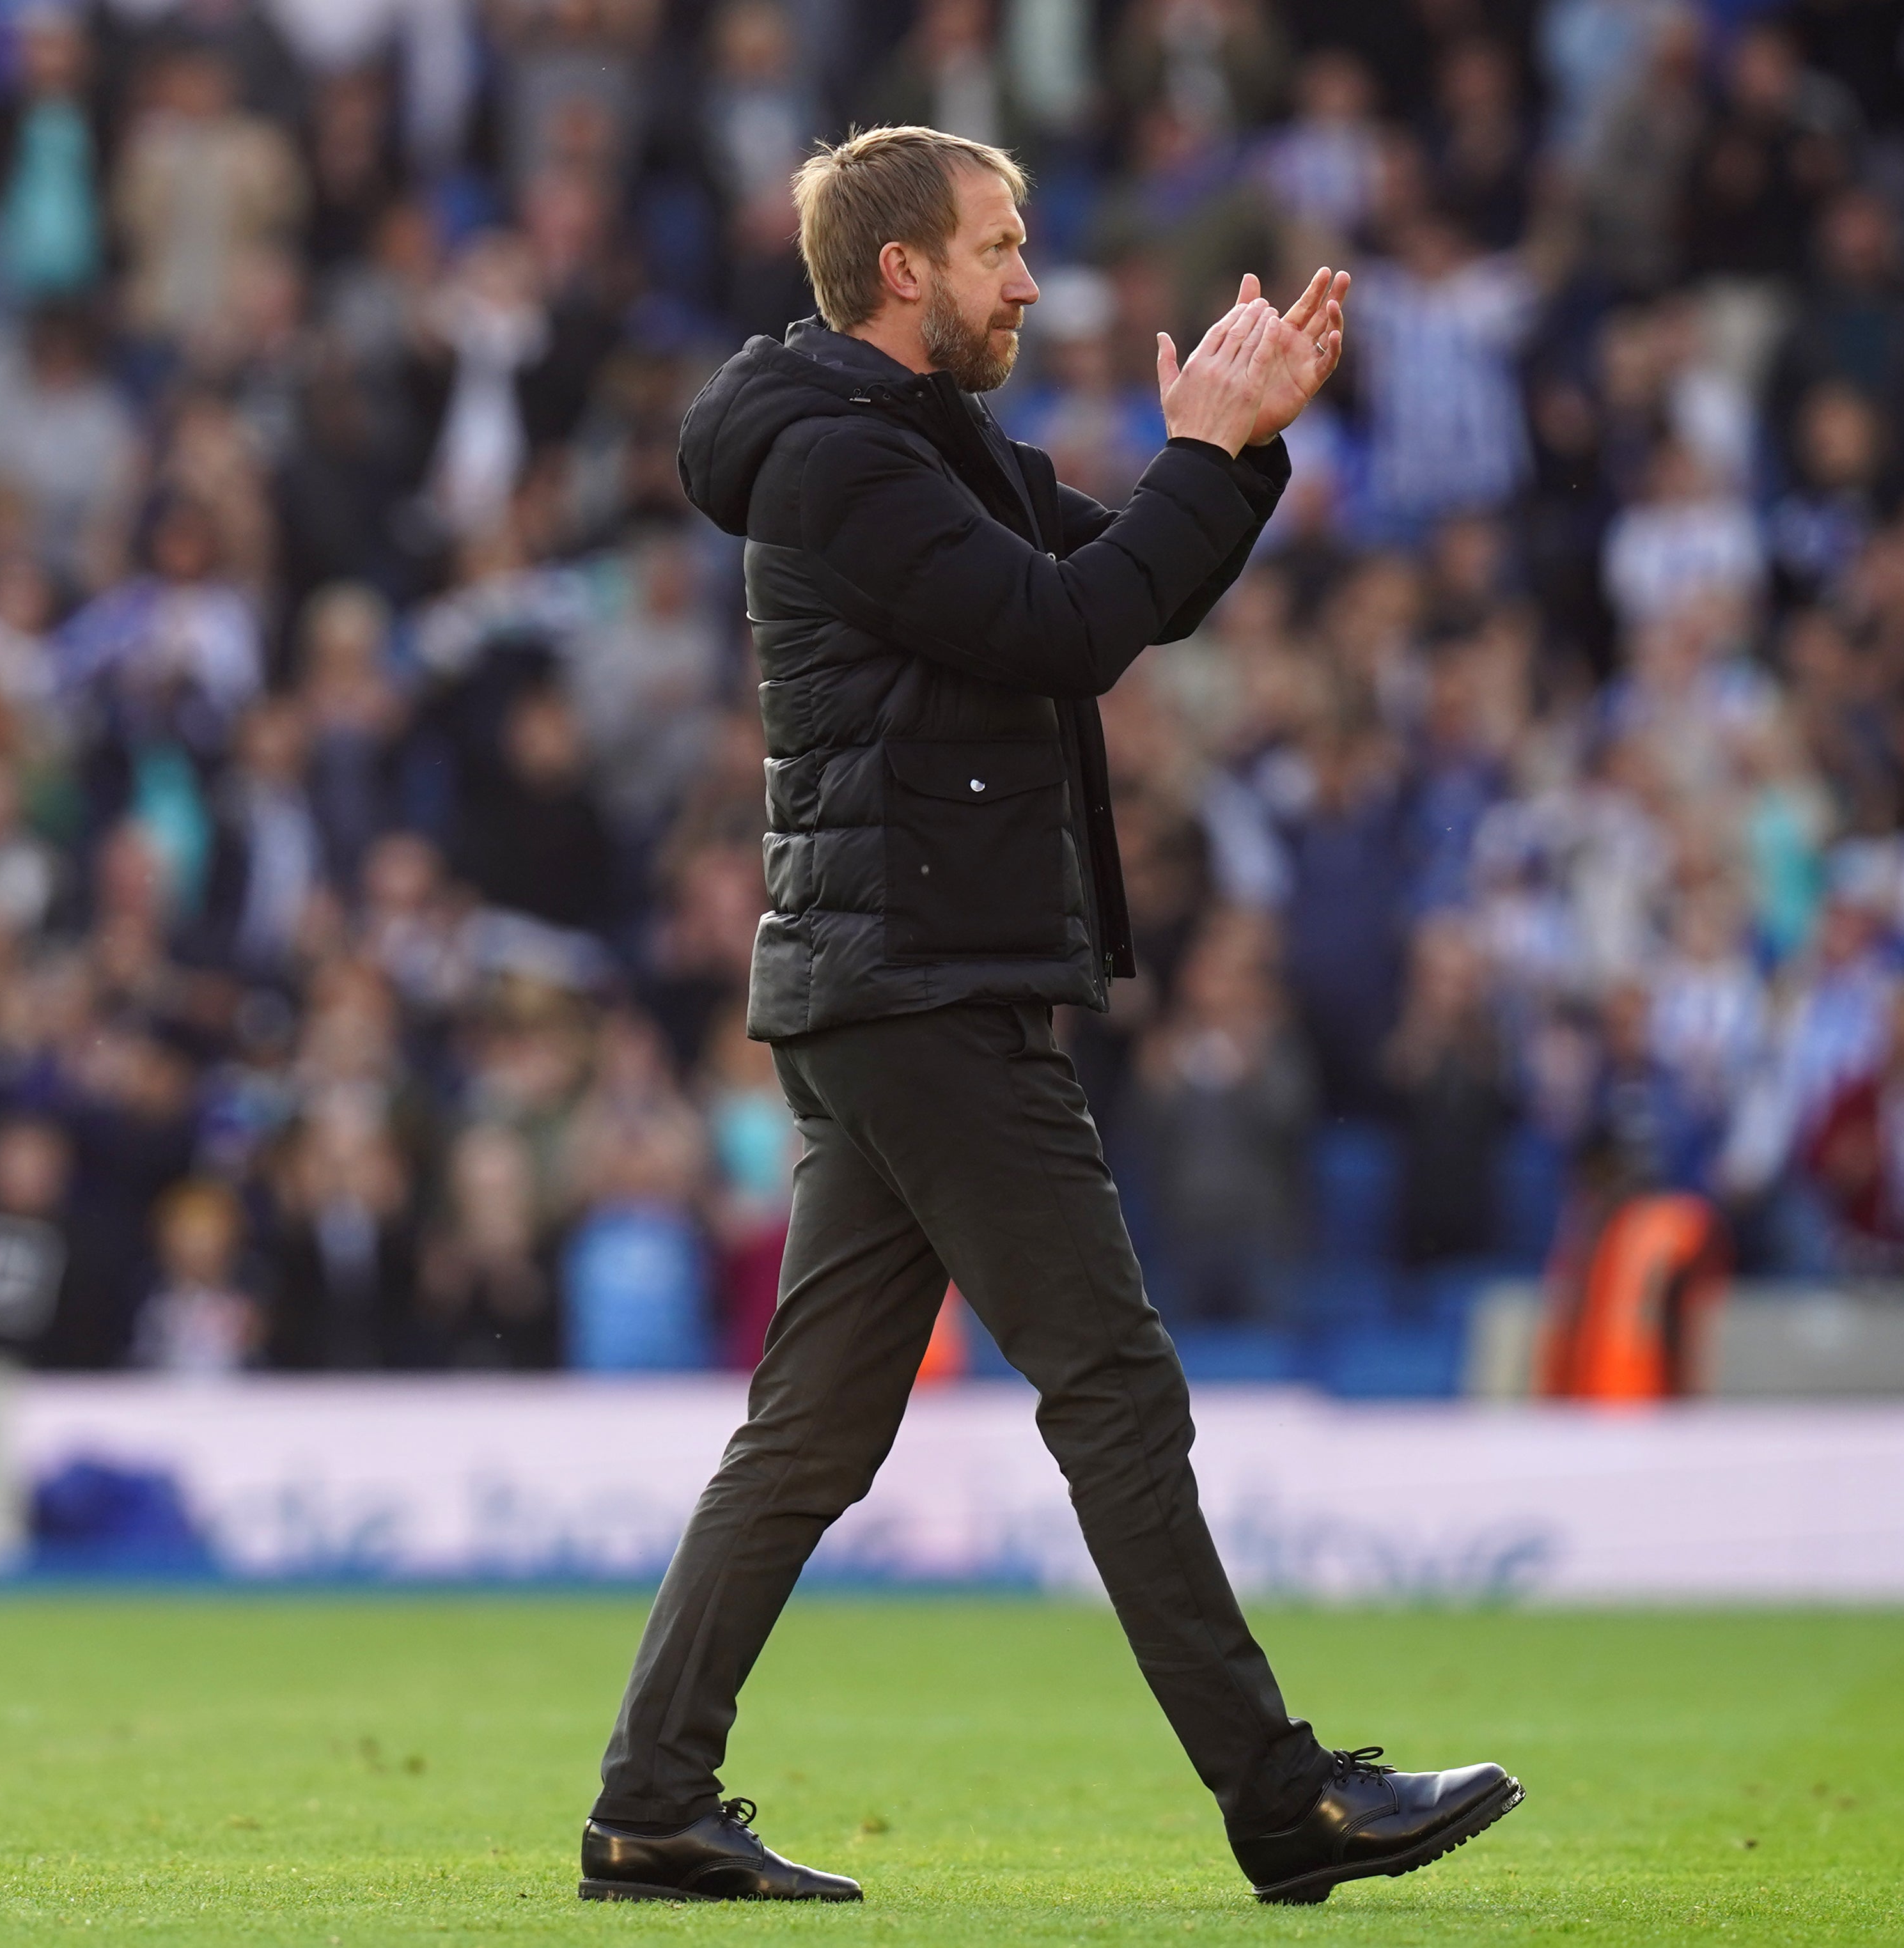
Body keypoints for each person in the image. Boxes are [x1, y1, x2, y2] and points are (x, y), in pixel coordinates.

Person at [579, 124, 1519, 1910]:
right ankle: (1278, 1798)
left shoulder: (900, 452)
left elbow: (1124, 592)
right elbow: (1071, 622)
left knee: (816, 1431)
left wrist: (1236, 459)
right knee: (1112, 1383)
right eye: (1002, 247)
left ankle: (650, 1803)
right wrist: (1201, 454)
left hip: (896, 982)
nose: (1032, 279)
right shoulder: (849, 468)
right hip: (926, 987)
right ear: (902, 271)